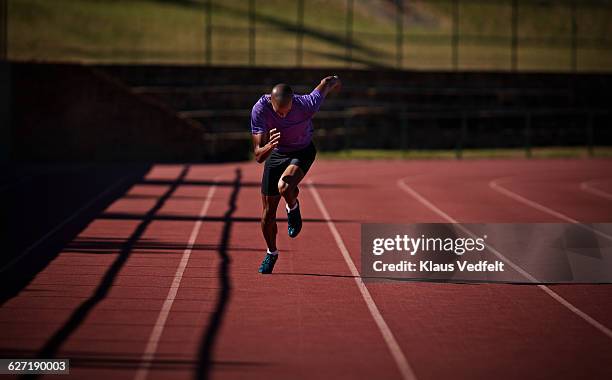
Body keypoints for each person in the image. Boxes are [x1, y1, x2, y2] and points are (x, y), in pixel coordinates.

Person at [250, 75, 342, 274]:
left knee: (285, 186)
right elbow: (258, 155)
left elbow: (325, 84)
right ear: (271, 103)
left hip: (302, 151)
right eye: (278, 112)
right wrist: (269, 146)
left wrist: (336, 80)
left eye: (286, 112)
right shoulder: (260, 109)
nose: (282, 116)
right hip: (275, 153)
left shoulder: (306, 104)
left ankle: (293, 207)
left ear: (293, 102)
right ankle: (271, 252)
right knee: (267, 214)